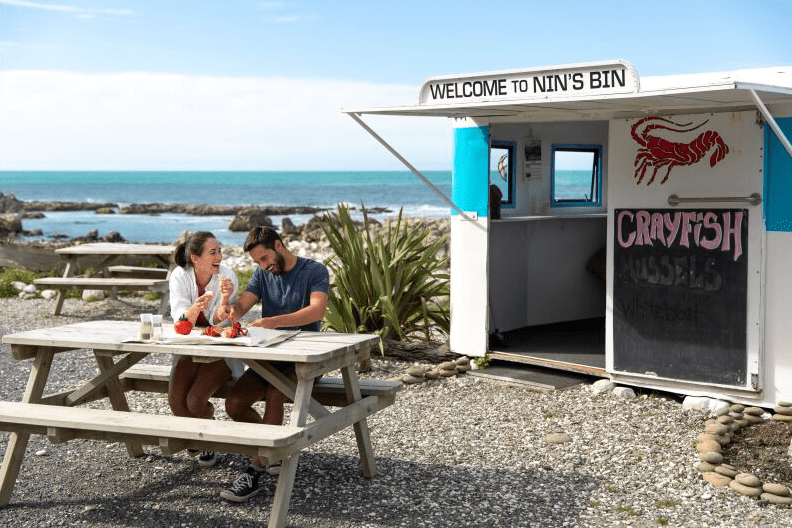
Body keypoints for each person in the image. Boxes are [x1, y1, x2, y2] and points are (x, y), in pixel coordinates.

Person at [218, 225, 329, 503]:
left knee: (276, 393)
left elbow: (317, 310)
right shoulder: (262, 273)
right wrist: (231, 308)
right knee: (234, 403)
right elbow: (243, 305)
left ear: (278, 246)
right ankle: (271, 449)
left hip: (306, 361)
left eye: (264, 258)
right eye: (257, 262)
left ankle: (254, 471)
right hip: (271, 359)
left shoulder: (314, 271)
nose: (262, 266)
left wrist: (273, 322)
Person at [168, 231, 243, 467]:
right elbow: (181, 325)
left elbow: (221, 321)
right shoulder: (180, 276)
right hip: (190, 348)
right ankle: (203, 432)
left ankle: (208, 438)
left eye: (219, 251)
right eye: (213, 252)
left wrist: (224, 302)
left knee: (195, 400)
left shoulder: (227, 277)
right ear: (195, 258)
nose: (219, 256)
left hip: (219, 350)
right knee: (176, 403)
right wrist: (194, 309)